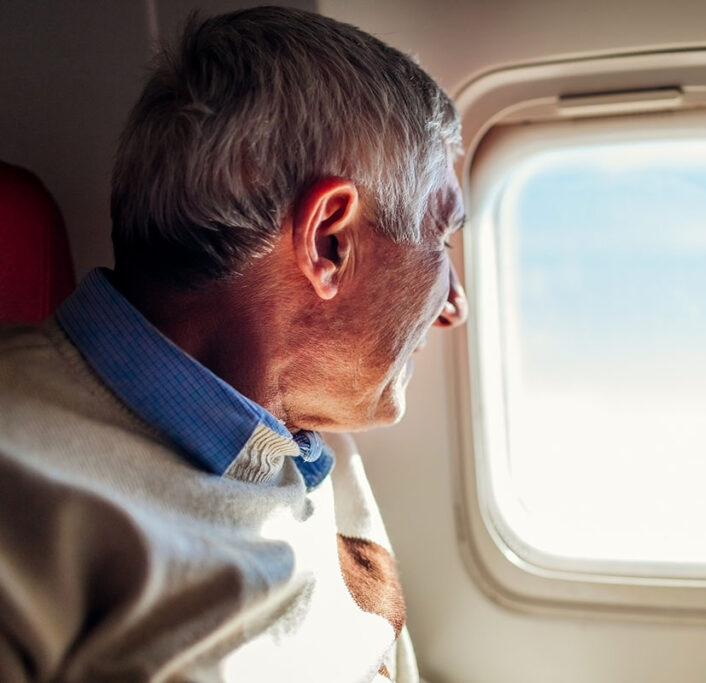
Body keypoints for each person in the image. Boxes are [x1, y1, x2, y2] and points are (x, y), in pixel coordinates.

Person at [0, 7, 467, 682]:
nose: (455, 301)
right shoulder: (24, 493)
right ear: (330, 242)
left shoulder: (309, 436)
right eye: (442, 242)